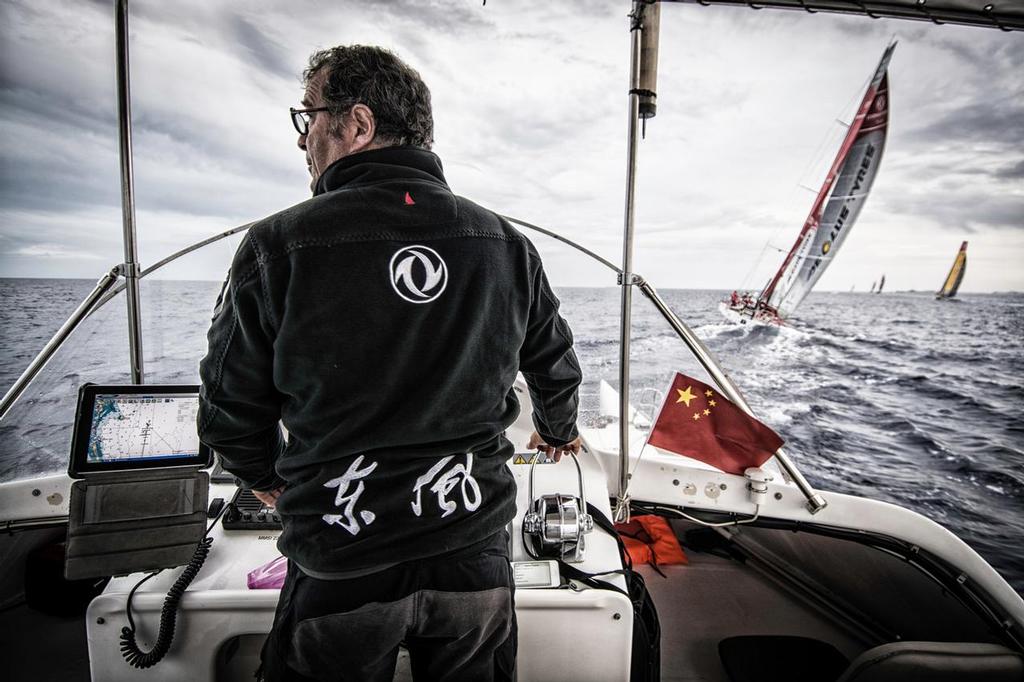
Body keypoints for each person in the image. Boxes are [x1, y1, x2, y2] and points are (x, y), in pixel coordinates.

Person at [197, 45, 582, 682]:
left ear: (357, 123)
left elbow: (229, 410)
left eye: (309, 117)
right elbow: (555, 363)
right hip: (474, 558)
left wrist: (268, 482)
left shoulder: (278, 244)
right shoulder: (506, 244)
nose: (304, 140)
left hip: (342, 563)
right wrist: (561, 430)